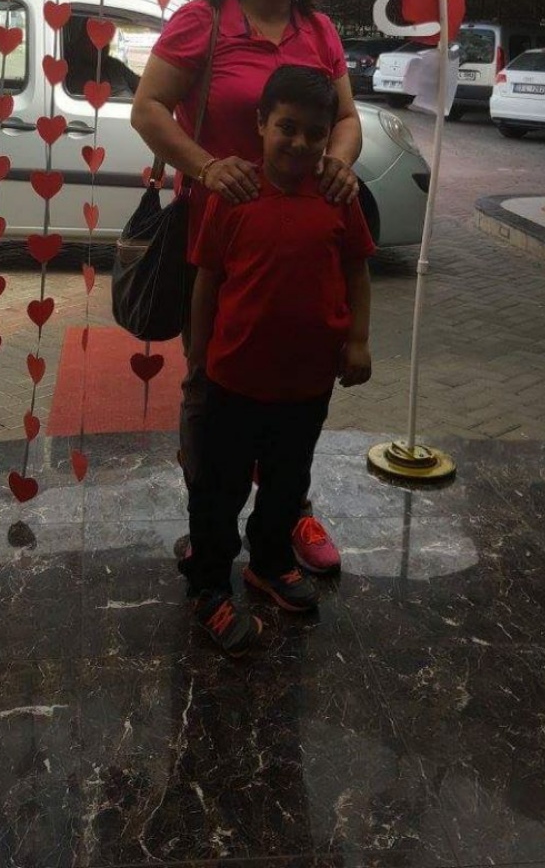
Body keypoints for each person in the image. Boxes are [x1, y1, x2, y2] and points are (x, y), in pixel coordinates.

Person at [131, 0, 362, 572]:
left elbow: (346, 118)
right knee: (211, 386)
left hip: (298, 243)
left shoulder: (319, 31)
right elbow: (148, 108)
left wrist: (339, 165)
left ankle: (291, 514)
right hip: (218, 241)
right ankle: (209, 522)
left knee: (294, 392)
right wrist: (206, 168)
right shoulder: (202, 21)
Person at [185, 64, 374, 653]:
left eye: (315, 133)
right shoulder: (234, 195)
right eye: (287, 127)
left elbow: (357, 270)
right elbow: (207, 282)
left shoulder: (339, 197)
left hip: (307, 385)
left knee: (287, 487)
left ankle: (268, 564)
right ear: (262, 123)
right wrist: (198, 358)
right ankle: (209, 586)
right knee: (219, 492)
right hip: (233, 380)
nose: (300, 143)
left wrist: (359, 340)